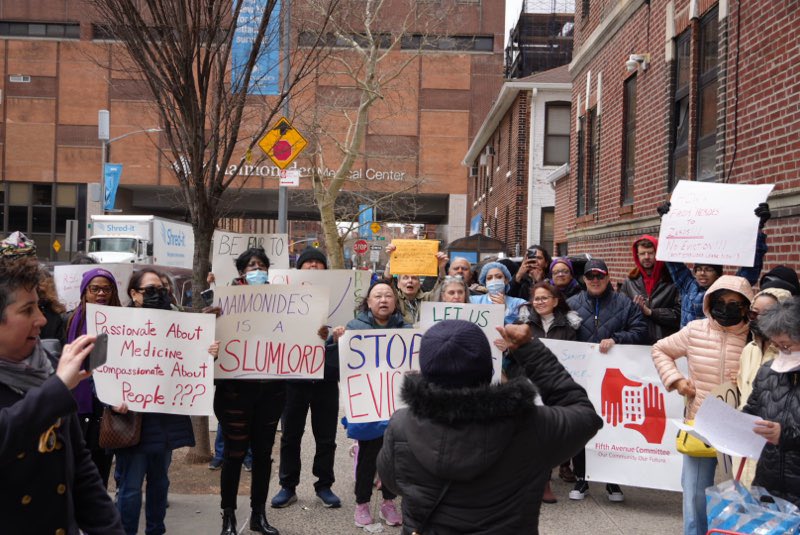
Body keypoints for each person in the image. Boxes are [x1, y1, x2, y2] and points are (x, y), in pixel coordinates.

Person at [377, 320, 602, 534]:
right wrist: (530, 350)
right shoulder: (532, 424)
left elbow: (393, 481)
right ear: (488, 367)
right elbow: (584, 415)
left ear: (425, 370)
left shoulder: (401, 425)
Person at [0, 255, 124, 534]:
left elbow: (81, 471)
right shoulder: (55, 384)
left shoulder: (46, 367)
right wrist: (56, 389)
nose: (42, 319)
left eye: (39, 308)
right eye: (27, 310)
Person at [651, 275, 754, 535]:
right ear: (711, 302)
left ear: (745, 306)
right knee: (695, 494)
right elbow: (660, 349)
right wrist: (677, 381)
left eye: (735, 302)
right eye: (721, 301)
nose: (727, 307)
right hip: (700, 425)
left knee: (741, 494)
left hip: (740, 429)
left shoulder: (756, 337)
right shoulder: (694, 330)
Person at [115, 268, 204, 535]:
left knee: (160, 483)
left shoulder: (178, 323)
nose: (158, 295)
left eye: (162, 290)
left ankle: (156, 530)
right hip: (132, 419)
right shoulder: (118, 323)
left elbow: (191, 361)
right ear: (134, 293)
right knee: (130, 487)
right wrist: (112, 399)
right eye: (150, 290)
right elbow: (104, 367)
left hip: (165, 417)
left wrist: (206, 352)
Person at [329, 280, 410, 528]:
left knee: (394, 458)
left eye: (388, 295)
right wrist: (336, 340)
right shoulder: (353, 327)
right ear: (368, 302)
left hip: (395, 407)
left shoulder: (406, 329)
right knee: (368, 457)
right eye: (378, 296)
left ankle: (388, 502)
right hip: (368, 406)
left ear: (395, 302)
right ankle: (362, 504)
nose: (383, 300)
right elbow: (335, 364)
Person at [566, 258, 648, 502]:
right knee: (583, 427)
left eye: (599, 276)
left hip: (615, 376)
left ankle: (613, 481)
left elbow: (640, 331)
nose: (595, 280)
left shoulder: (625, 304)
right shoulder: (571, 304)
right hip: (582, 376)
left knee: (614, 428)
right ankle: (583, 478)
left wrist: (618, 339)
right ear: (584, 279)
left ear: (608, 277)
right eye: (590, 276)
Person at [216, 247, 284, 535]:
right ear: (241, 272)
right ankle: (228, 516)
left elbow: (296, 334)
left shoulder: (283, 301)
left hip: (270, 392)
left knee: (263, 454)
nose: (257, 270)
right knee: (234, 453)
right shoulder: (222, 301)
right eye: (251, 265)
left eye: (262, 265)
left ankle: (258, 514)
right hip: (235, 392)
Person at [272, 247, 342, 509]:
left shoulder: (339, 299)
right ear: (298, 270)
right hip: (293, 379)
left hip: (326, 378)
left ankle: (324, 485)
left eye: (318, 263)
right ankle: (287, 486)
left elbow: (346, 334)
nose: (313, 266)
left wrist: (335, 336)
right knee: (290, 435)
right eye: (307, 263)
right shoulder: (284, 299)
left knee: (326, 437)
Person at [516, 281, 581, 502]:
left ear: (555, 301)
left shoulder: (568, 327)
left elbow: (576, 357)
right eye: (536, 298)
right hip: (529, 385)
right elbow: (513, 356)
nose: (540, 302)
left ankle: (544, 482)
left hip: (556, 385)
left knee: (548, 435)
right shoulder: (522, 325)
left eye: (545, 298)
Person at [658, 201, 770, 327]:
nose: (702, 273)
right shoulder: (688, 286)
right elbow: (671, 259)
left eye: (708, 269)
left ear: (718, 274)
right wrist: (666, 223)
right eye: (698, 269)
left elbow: (751, 269)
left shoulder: (727, 289)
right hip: (688, 343)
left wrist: (758, 229)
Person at [64, 267, 123, 487]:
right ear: (84, 292)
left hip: (106, 406)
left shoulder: (126, 321)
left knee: (100, 466)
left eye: (106, 289)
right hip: (76, 405)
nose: (100, 294)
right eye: (95, 289)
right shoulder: (70, 321)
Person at [741, 297, 800, 507]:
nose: (780, 351)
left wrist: (784, 435)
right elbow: (752, 410)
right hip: (767, 486)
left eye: (787, 346)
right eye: (777, 345)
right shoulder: (767, 372)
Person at [734, 287, 791, 486]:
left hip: (778, 457)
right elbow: (745, 397)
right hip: (744, 452)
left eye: (765, 314)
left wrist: (782, 434)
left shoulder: (790, 355)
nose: (757, 319)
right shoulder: (748, 351)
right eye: (753, 313)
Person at [619, 235, 681, 344]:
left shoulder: (673, 281)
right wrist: (634, 309)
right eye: (642, 253)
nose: (646, 257)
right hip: (638, 344)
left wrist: (651, 312)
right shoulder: (629, 282)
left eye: (651, 253)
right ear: (637, 255)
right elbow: (620, 314)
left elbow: (679, 315)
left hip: (666, 343)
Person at [384, 243, 447, 324]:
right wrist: (391, 262)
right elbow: (386, 282)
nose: (410, 281)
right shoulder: (394, 300)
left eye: (414, 278)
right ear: (398, 284)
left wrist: (441, 268)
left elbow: (441, 287)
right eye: (405, 278)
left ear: (419, 284)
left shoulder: (428, 298)